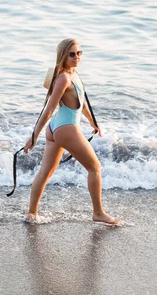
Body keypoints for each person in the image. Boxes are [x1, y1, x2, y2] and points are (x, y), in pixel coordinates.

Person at [23, 38, 121, 226]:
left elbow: (81, 104)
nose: (77, 57)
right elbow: (49, 109)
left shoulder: (73, 75)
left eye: (79, 53)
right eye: (72, 54)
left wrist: (93, 122)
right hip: (65, 127)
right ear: (63, 56)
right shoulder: (63, 79)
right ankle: (98, 213)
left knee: (45, 172)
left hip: (56, 128)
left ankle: (31, 213)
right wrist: (34, 136)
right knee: (95, 168)